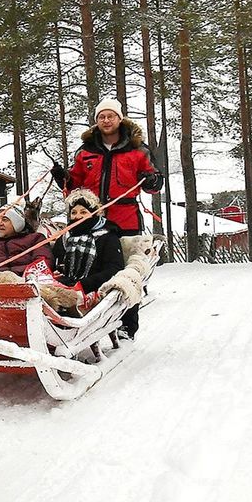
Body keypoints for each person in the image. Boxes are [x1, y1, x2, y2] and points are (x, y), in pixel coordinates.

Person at [51, 99, 161, 337]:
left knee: (126, 271)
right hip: (91, 220)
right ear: (96, 121)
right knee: (90, 265)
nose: (106, 120)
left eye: (111, 116)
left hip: (125, 217)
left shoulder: (138, 149)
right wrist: (64, 179)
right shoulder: (86, 151)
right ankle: (91, 313)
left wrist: (152, 180)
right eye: (102, 116)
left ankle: (127, 324)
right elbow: (75, 186)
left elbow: (154, 183)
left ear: (120, 119)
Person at [51, 189, 125, 313]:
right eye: (73, 212)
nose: (77, 216)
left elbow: (114, 269)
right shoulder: (64, 238)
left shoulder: (107, 237)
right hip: (63, 287)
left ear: (94, 214)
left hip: (94, 288)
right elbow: (54, 263)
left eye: (83, 212)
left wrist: (84, 284)